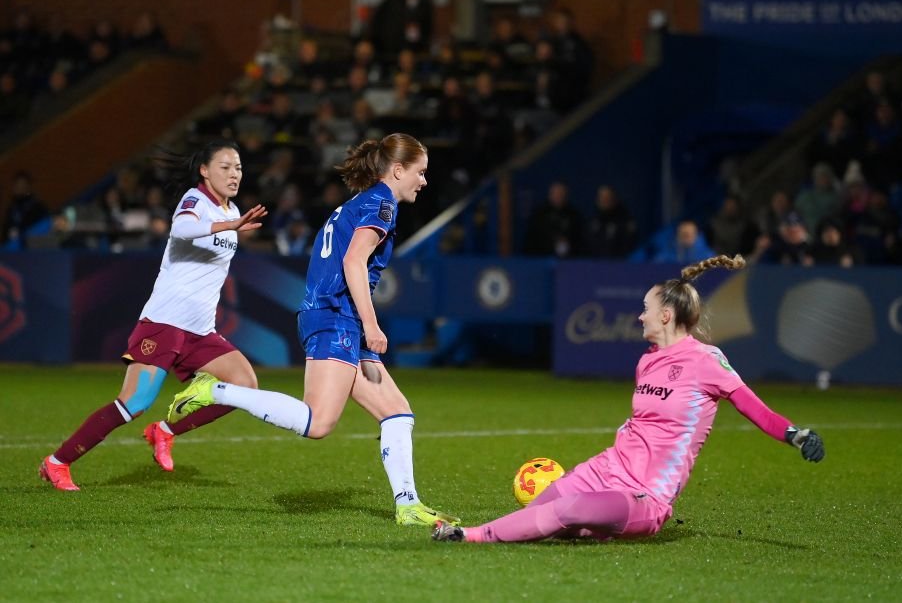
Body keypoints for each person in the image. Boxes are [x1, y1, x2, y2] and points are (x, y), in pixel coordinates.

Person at [166, 133, 458, 527]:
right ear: (398, 170)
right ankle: (214, 390)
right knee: (319, 423)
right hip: (337, 317)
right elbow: (355, 262)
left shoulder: (364, 201)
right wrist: (371, 324)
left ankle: (408, 505)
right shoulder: (382, 204)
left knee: (397, 413)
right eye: (420, 173)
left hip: (340, 317)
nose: (423, 181)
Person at [432, 254, 825, 544]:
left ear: (667, 316)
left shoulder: (707, 361)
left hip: (646, 495)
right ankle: (574, 530)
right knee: (547, 503)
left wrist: (797, 435)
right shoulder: (647, 361)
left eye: (646, 310)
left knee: (566, 512)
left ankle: (468, 536)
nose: (640, 317)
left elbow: (752, 407)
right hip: (607, 467)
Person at [39, 140, 268, 491]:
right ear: (204, 171)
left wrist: (232, 223)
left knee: (245, 386)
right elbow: (181, 230)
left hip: (200, 330)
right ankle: (57, 462)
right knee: (134, 402)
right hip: (165, 324)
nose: (234, 173)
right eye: (225, 166)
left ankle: (164, 431)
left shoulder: (231, 210)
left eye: (238, 167)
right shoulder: (196, 201)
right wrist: (231, 226)